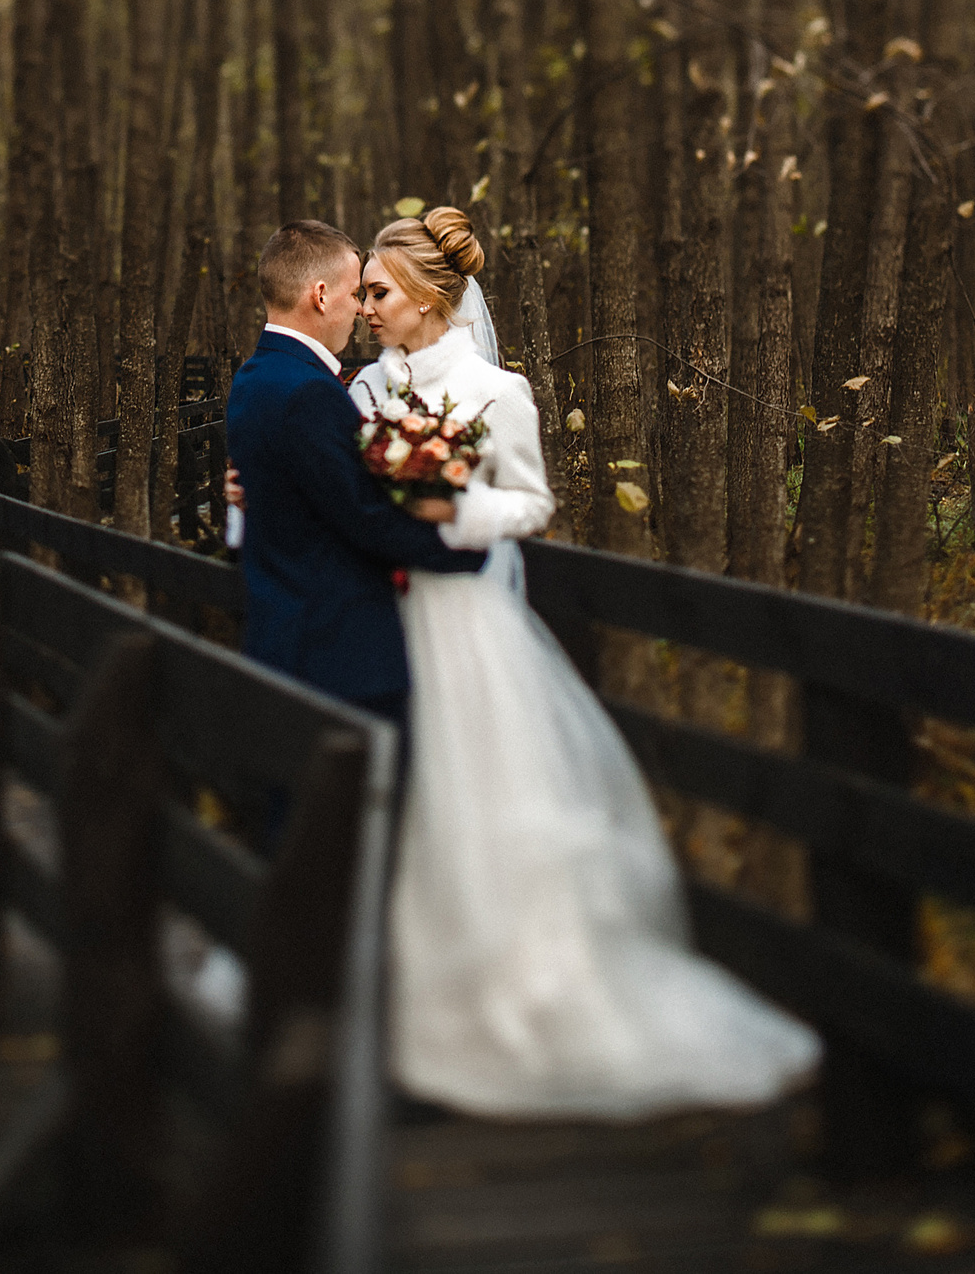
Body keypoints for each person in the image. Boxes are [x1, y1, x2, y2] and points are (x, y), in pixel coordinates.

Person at [348, 207, 820, 1119]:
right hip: (379, 617)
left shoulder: (496, 392)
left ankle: (508, 1002)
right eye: (363, 291)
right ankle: (395, 1000)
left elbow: (529, 504)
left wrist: (450, 511)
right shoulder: (360, 391)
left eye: (379, 291)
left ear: (429, 298)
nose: (366, 306)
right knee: (396, 802)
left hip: (467, 625)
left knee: (479, 801)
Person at [221, 220, 486, 728]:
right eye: (353, 293)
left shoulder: (254, 377)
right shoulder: (309, 393)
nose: (362, 312)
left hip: (279, 635)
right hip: (337, 657)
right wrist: (467, 549)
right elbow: (363, 515)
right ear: (320, 296)